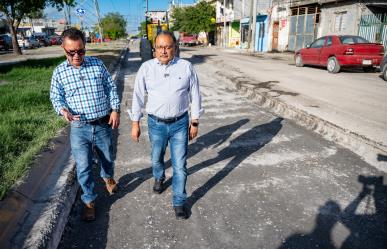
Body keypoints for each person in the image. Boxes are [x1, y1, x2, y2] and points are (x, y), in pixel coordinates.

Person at [131, 31, 203, 219]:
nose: (164, 51)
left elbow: (195, 95)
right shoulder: (146, 68)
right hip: (156, 123)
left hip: (180, 123)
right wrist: (135, 123)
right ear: (154, 49)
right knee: (157, 157)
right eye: (160, 47)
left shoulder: (186, 67)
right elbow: (138, 96)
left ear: (175, 48)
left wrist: (194, 121)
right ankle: (159, 176)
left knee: (180, 166)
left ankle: (179, 201)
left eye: (168, 46)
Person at [50, 28, 120, 221]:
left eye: (80, 51)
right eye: (71, 52)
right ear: (64, 49)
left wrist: (115, 109)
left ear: (85, 47)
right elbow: (56, 97)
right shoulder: (59, 73)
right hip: (79, 128)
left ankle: (108, 177)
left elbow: (110, 87)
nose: (76, 56)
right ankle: (89, 201)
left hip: (102, 123)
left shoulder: (97, 65)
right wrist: (62, 110)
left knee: (107, 158)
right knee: (83, 166)